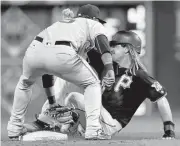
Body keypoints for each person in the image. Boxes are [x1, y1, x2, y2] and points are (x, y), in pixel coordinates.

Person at [24, 30, 175, 140]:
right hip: (96, 118)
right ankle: (62, 125)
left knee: (74, 97)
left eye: (115, 45)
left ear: (128, 49)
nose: (110, 48)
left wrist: (169, 129)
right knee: (67, 81)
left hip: (109, 123)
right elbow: (85, 48)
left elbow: (161, 99)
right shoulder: (108, 66)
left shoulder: (140, 75)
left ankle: (67, 125)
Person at [7, 4, 115, 140]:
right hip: (63, 52)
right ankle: (94, 129)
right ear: (94, 18)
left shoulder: (62, 24)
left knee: (24, 84)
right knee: (92, 83)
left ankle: (14, 127)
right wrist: (109, 67)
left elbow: (47, 70)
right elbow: (103, 44)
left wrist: (52, 101)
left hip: (34, 50)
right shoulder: (92, 23)